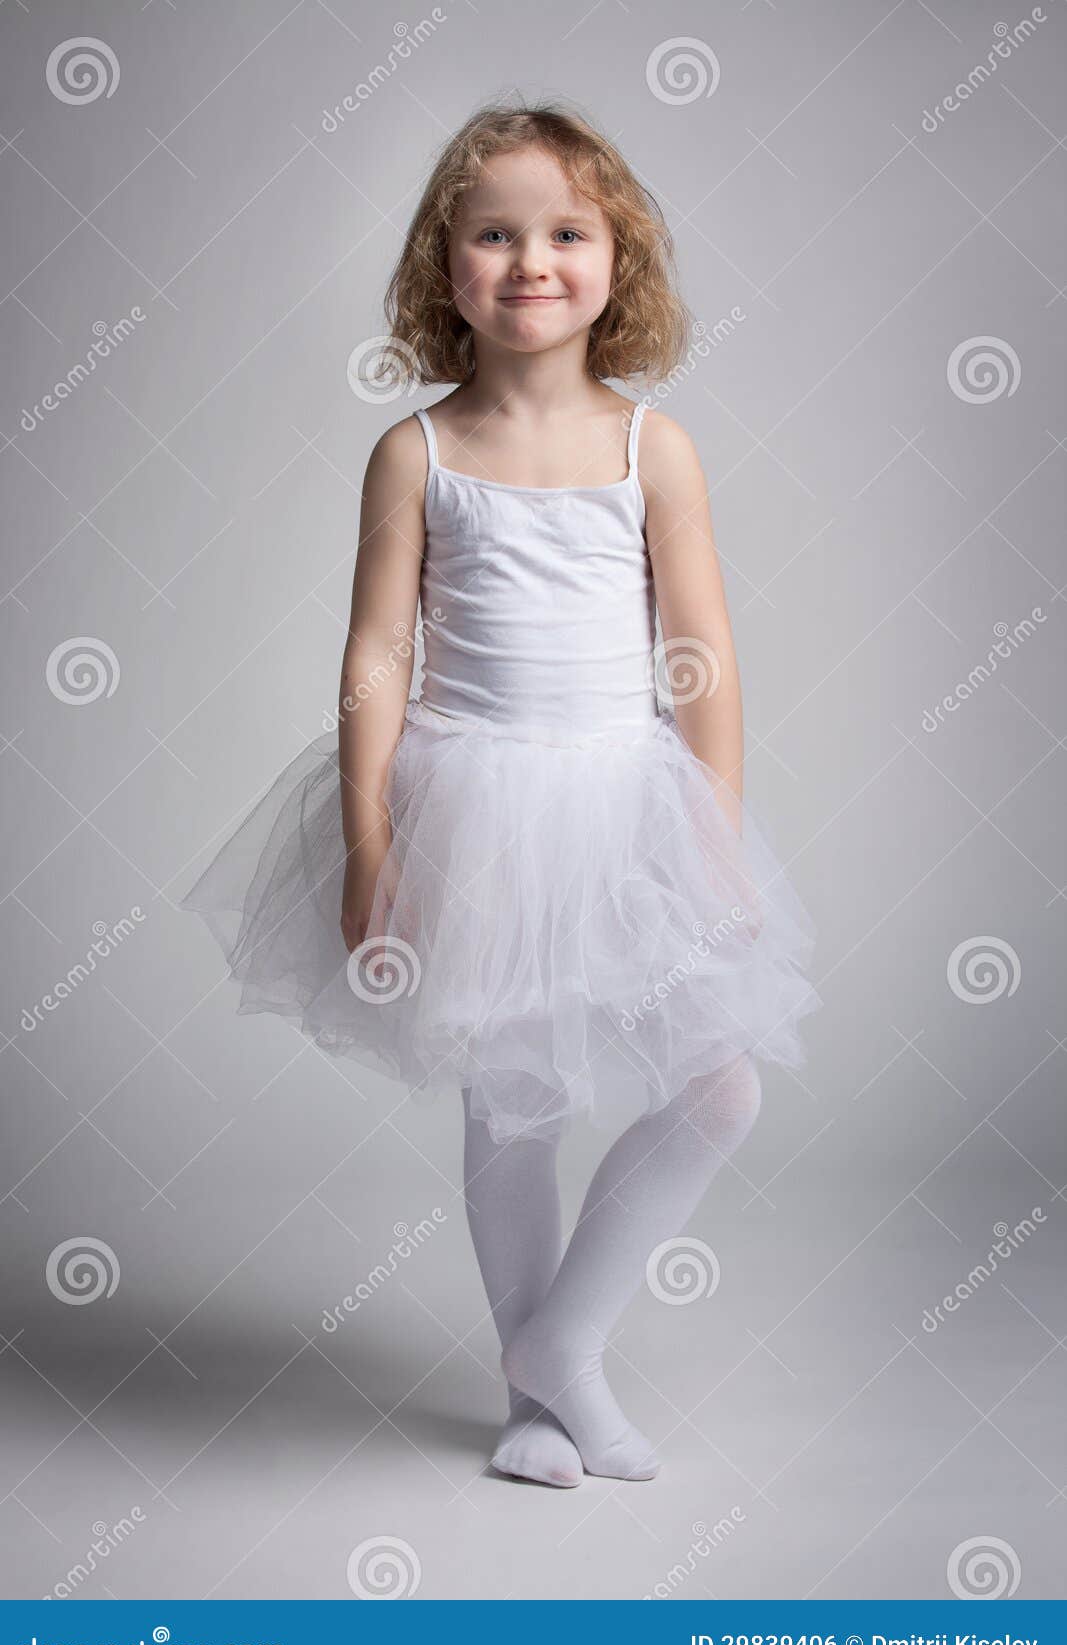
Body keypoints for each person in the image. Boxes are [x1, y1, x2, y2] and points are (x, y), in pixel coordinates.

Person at [182, 101, 822, 1488]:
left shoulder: (656, 448)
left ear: (617, 260)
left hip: (623, 801)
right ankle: (535, 1399)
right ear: (444, 266)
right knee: (511, 1102)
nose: (531, 259)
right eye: (494, 232)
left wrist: (712, 831)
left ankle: (559, 1345)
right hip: (470, 798)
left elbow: (701, 657)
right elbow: (374, 656)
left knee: (718, 1086)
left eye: (566, 231)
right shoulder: (417, 453)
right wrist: (367, 842)